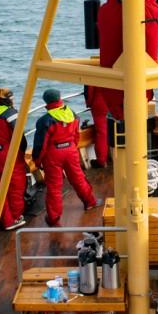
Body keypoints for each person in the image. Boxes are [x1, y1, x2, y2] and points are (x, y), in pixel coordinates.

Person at [32, 88, 100, 226]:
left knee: (54, 187)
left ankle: (54, 218)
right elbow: (76, 136)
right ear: (59, 98)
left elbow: (41, 144)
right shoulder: (72, 114)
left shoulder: (44, 121)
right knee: (78, 178)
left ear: (46, 102)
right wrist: (72, 148)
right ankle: (90, 202)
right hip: (70, 150)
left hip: (53, 154)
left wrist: (37, 161)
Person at [0, 87, 28, 231]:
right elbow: (19, 136)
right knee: (16, 188)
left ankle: (7, 221)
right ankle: (16, 217)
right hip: (9, 155)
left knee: (1, 190)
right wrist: (22, 151)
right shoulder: (10, 113)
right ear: (9, 98)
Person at [83, 84, 110, 168]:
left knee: (102, 132)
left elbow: (89, 89)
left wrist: (89, 103)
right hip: (119, 102)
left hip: (100, 103)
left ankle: (101, 160)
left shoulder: (96, 71)